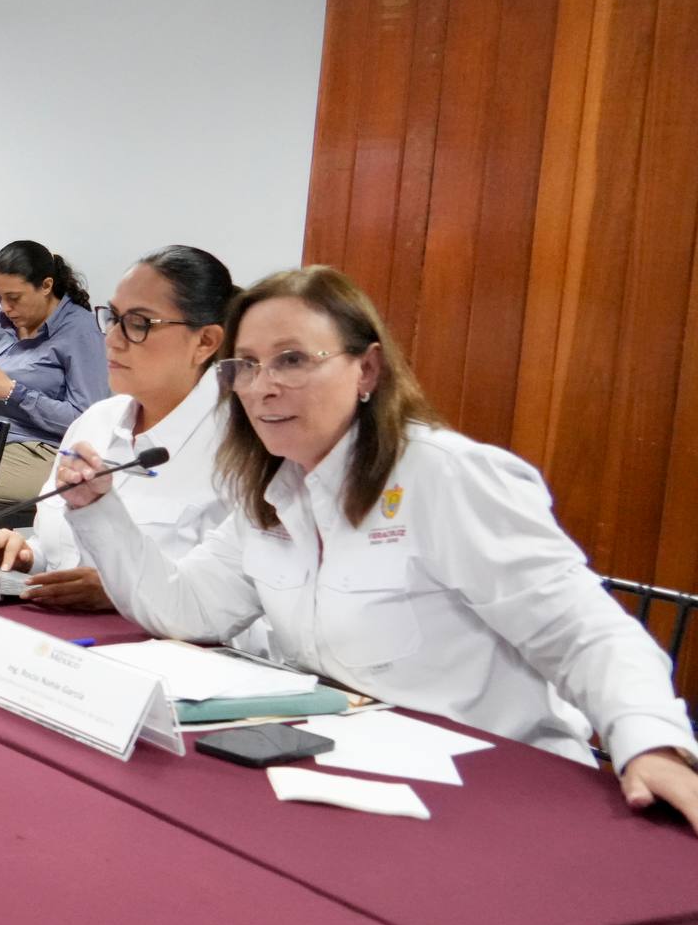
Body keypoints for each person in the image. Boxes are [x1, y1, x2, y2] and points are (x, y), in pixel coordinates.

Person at [56, 266, 698, 828]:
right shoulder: (274, 493)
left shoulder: (442, 475)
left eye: (292, 359)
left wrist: (651, 744)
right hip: (352, 776)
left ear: (367, 368)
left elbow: (583, 632)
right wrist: (101, 512)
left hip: (495, 792)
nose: (262, 386)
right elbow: (187, 611)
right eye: (247, 365)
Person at [0, 247, 235, 613]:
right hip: (53, 636)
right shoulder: (96, 422)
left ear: (205, 342)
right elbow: (57, 547)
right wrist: (27, 556)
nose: (112, 339)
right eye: (113, 318)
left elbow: (231, 599)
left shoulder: (236, 447)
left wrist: (122, 590)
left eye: (139, 324)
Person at [0, 239, 109, 505]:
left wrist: (14, 393)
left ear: (46, 286)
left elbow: (86, 421)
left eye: (14, 298)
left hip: (39, 450)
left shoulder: (80, 331)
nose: (5, 307)